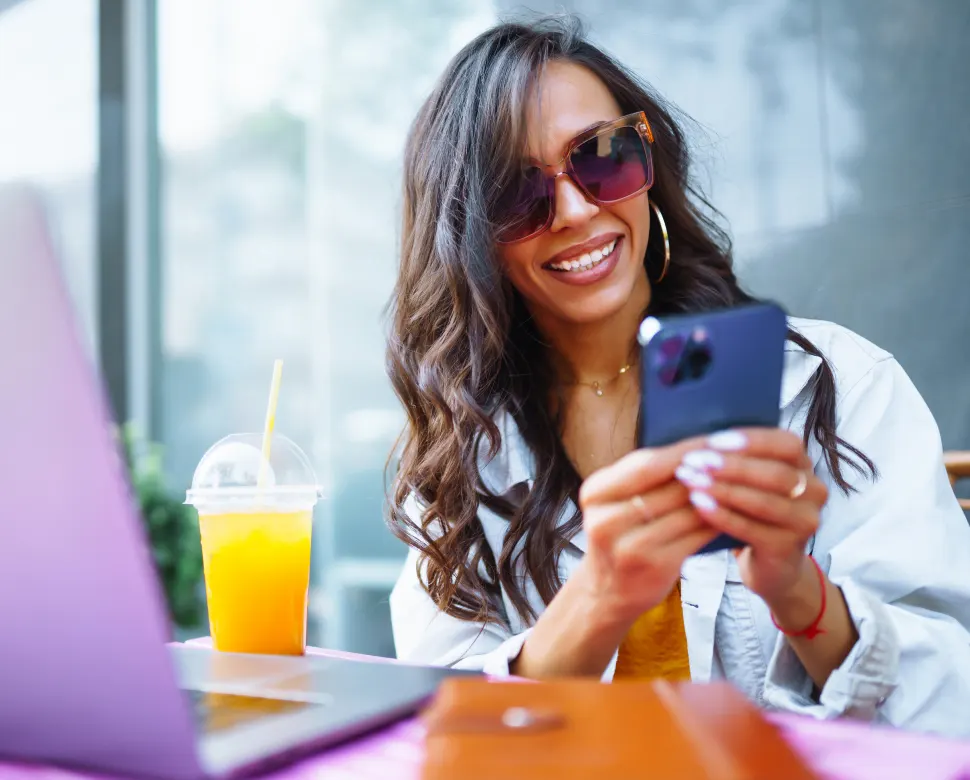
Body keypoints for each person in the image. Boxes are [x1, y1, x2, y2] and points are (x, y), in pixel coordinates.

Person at [384, 15, 970, 735]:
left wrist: (799, 593)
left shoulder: (839, 386)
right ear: (470, 236)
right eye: (518, 192)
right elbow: (452, 737)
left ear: (648, 160)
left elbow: (954, 702)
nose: (575, 209)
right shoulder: (462, 454)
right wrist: (597, 599)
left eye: (602, 157)